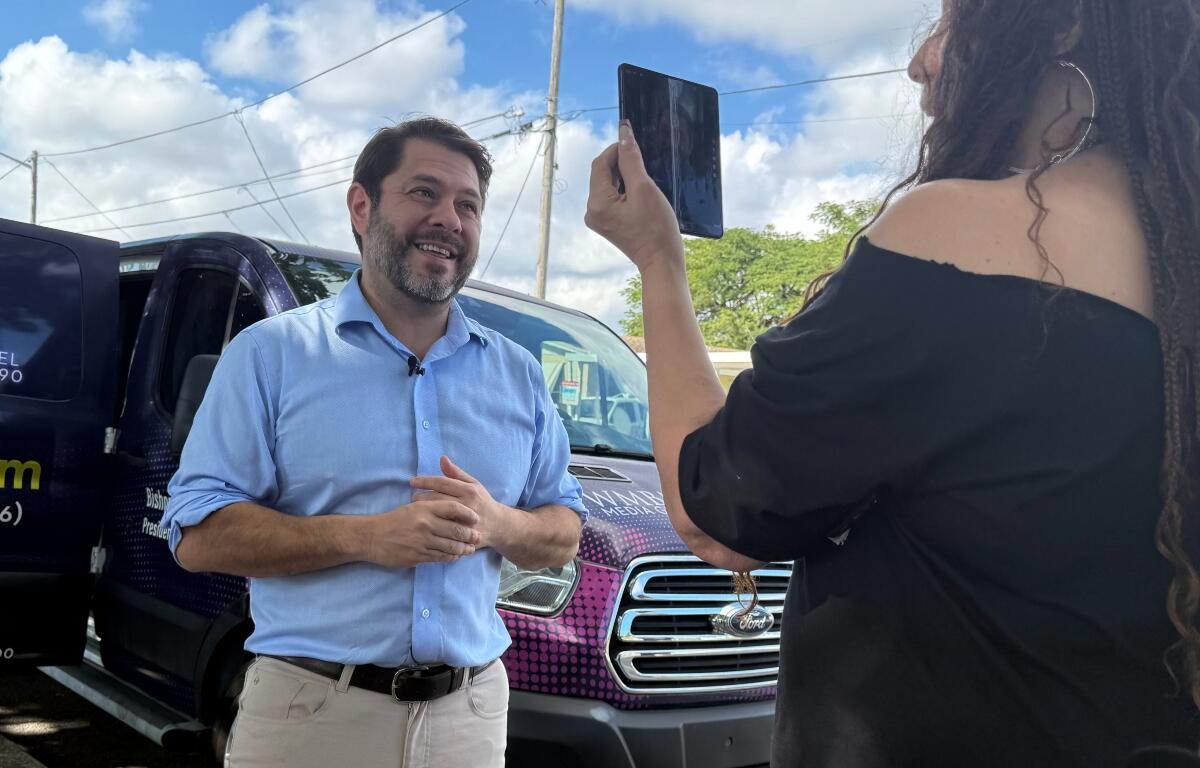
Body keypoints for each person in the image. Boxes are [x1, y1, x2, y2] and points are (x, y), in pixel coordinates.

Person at [584, 0, 1200, 765]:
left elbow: (717, 511)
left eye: (947, 22)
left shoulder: (959, 235)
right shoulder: (1176, 259)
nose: (921, 61)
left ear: (1059, 24)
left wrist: (658, 260)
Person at [162, 117, 587, 768]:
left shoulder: (518, 373)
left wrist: (495, 521)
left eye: (467, 204)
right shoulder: (272, 355)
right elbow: (198, 537)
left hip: (469, 718)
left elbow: (563, 530)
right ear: (362, 207)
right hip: (311, 713)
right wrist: (365, 538)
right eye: (424, 193)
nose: (450, 218)